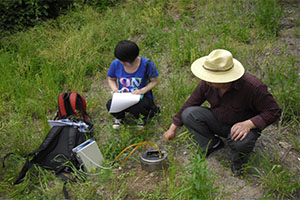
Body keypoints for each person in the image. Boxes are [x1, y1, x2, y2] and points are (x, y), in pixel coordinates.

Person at [163, 49, 281, 175]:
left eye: (212, 78)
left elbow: (274, 111)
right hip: (218, 120)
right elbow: (191, 102)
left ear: (226, 78)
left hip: (242, 127)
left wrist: (249, 124)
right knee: (189, 114)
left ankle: (239, 164)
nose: (207, 81)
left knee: (242, 142)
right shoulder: (207, 83)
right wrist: (173, 128)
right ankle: (212, 144)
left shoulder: (253, 87)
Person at [106, 40, 159, 129]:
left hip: (141, 97)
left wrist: (143, 90)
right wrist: (115, 89)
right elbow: (111, 79)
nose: (120, 62)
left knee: (138, 107)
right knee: (110, 105)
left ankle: (141, 118)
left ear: (127, 61)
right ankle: (119, 117)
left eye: (121, 61)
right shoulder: (116, 64)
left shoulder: (147, 64)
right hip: (124, 96)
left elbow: (155, 81)